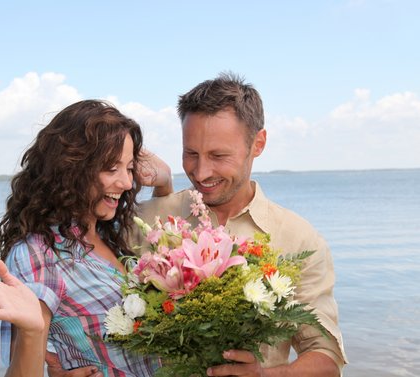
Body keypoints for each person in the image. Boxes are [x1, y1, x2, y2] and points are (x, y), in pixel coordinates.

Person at [132, 72, 347, 376]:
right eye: (190, 154)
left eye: (218, 156)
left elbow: (326, 357)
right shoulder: (150, 218)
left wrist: (265, 376)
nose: (202, 172)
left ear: (258, 144)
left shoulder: (299, 239)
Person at [0, 99, 173, 377]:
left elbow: (163, 207)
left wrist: (165, 182)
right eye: (110, 168)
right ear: (71, 169)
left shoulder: (112, 232)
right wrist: (33, 331)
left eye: (129, 168)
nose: (127, 183)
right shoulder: (40, 253)